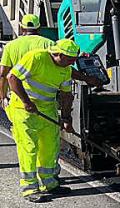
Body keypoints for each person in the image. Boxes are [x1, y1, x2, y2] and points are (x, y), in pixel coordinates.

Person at [7, 39, 80, 202]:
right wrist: (26, 101)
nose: (71, 64)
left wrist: (67, 119)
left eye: (74, 60)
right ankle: (30, 188)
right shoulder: (36, 57)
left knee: (50, 148)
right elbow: (12, 78)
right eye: (69, 59)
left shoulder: (66, 69)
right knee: (29, 148)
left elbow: (66, 96)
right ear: (58, 54)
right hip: (23, 110)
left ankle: (49, 184)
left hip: (47, 110)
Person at [0, 15, 54, 111]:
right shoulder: (49, 44)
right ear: (39, 28)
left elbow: (3, 74)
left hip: (19, 99)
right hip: (45, 99)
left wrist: (3, 96)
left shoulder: (10, 46)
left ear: (21, 28)